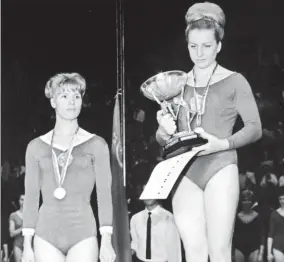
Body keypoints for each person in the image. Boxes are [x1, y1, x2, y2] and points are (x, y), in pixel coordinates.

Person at [155, 2, 262, 261]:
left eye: (207, 46)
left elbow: (255, 128)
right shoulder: (175, 84)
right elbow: (162, 141)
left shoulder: (235, 80)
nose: (199, 53)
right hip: (184, 171)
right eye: (193, 46)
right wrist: (162, 129)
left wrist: (222, 144)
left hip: (220, 167)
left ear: (219, 46)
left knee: (220, 250)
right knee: (193, 251)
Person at [21, 73, 116, 262]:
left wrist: (106, 240)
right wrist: (26, 245)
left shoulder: (97, 144)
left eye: (77, 96)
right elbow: (31, 197)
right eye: (64, 96)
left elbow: (104, 195)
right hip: (45, 235)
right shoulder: (35, 147)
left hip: (83, 234)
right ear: (53, 102)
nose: (71, 102)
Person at [130, 191, 182, 262]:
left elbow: (174, 250)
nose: (147, 196)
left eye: (150, 191)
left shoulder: (168, 217)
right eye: (145, 192)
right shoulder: (135, 218)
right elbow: (135, 243)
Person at [233, 189, 265, 262]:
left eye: (248, 201)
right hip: (239, 248)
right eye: (244, 201)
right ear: (241, 202)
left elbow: (262, 235)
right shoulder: (236, 217)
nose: (246, 203)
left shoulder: (257, 217)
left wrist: (261, 253)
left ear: (252, 202)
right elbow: (232, 235)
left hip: (254, 248)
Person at [9, 194, 24, 262]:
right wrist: (22, 228)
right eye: (22, 199)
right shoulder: (13, 215)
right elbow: (11, 234)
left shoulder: (32, 215)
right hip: (18, 245)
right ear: (18, 201)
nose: (24, 202)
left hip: (31, 245)